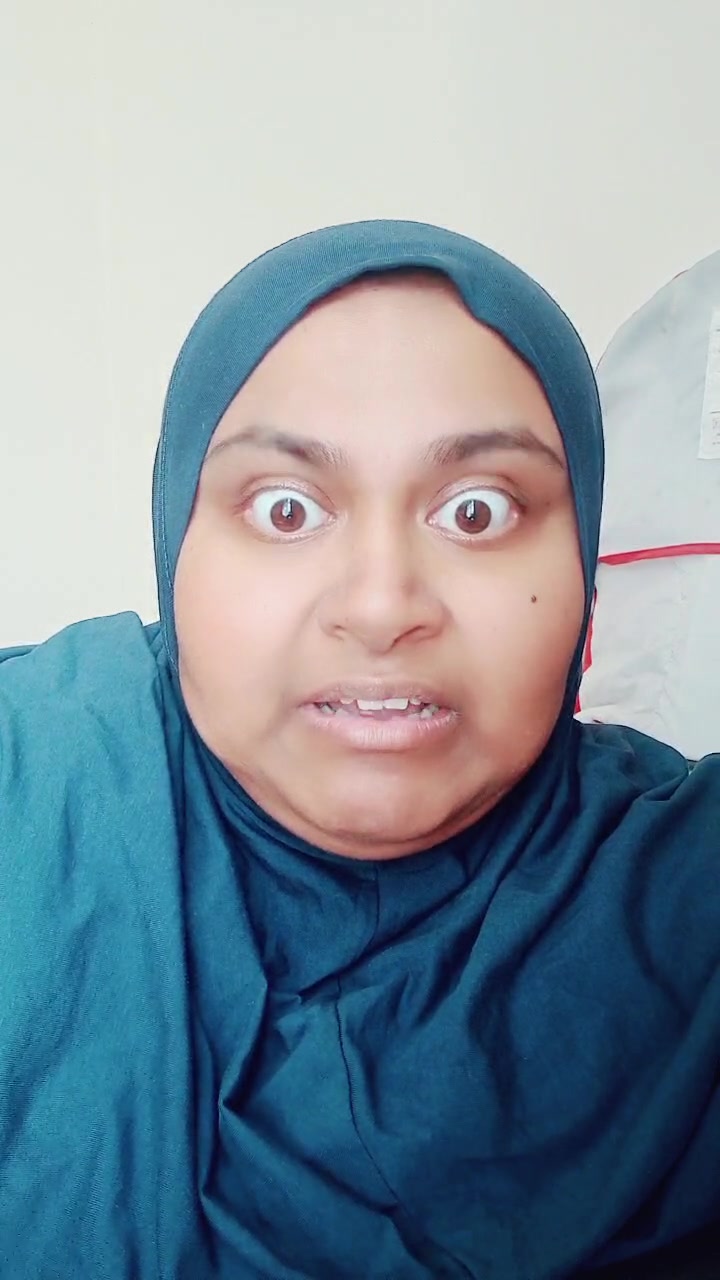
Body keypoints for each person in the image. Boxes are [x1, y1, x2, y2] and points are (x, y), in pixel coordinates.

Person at [0, 220, 718, 1280]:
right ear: (176, 539)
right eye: (287, 508)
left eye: (478, 510)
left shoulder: (682, 905)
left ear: (582, 557)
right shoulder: (33, 782)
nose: (382, 607)